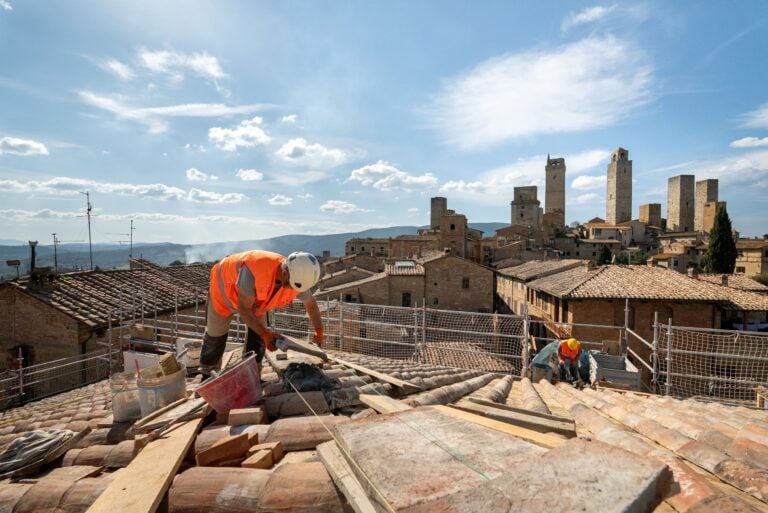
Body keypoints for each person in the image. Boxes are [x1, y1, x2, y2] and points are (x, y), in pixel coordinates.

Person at [198, 250, 323, 378]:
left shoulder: (298, 278)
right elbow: (243, 309)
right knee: (216, 336)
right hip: (223, 292)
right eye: (291, 286)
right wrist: (265, 334)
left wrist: (319, 330)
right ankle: (207, 375)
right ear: (284, 273)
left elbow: (311, 304)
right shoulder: (255, 269)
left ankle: (252, 374)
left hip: (257, 302)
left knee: (259, 336)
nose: (293, 291)